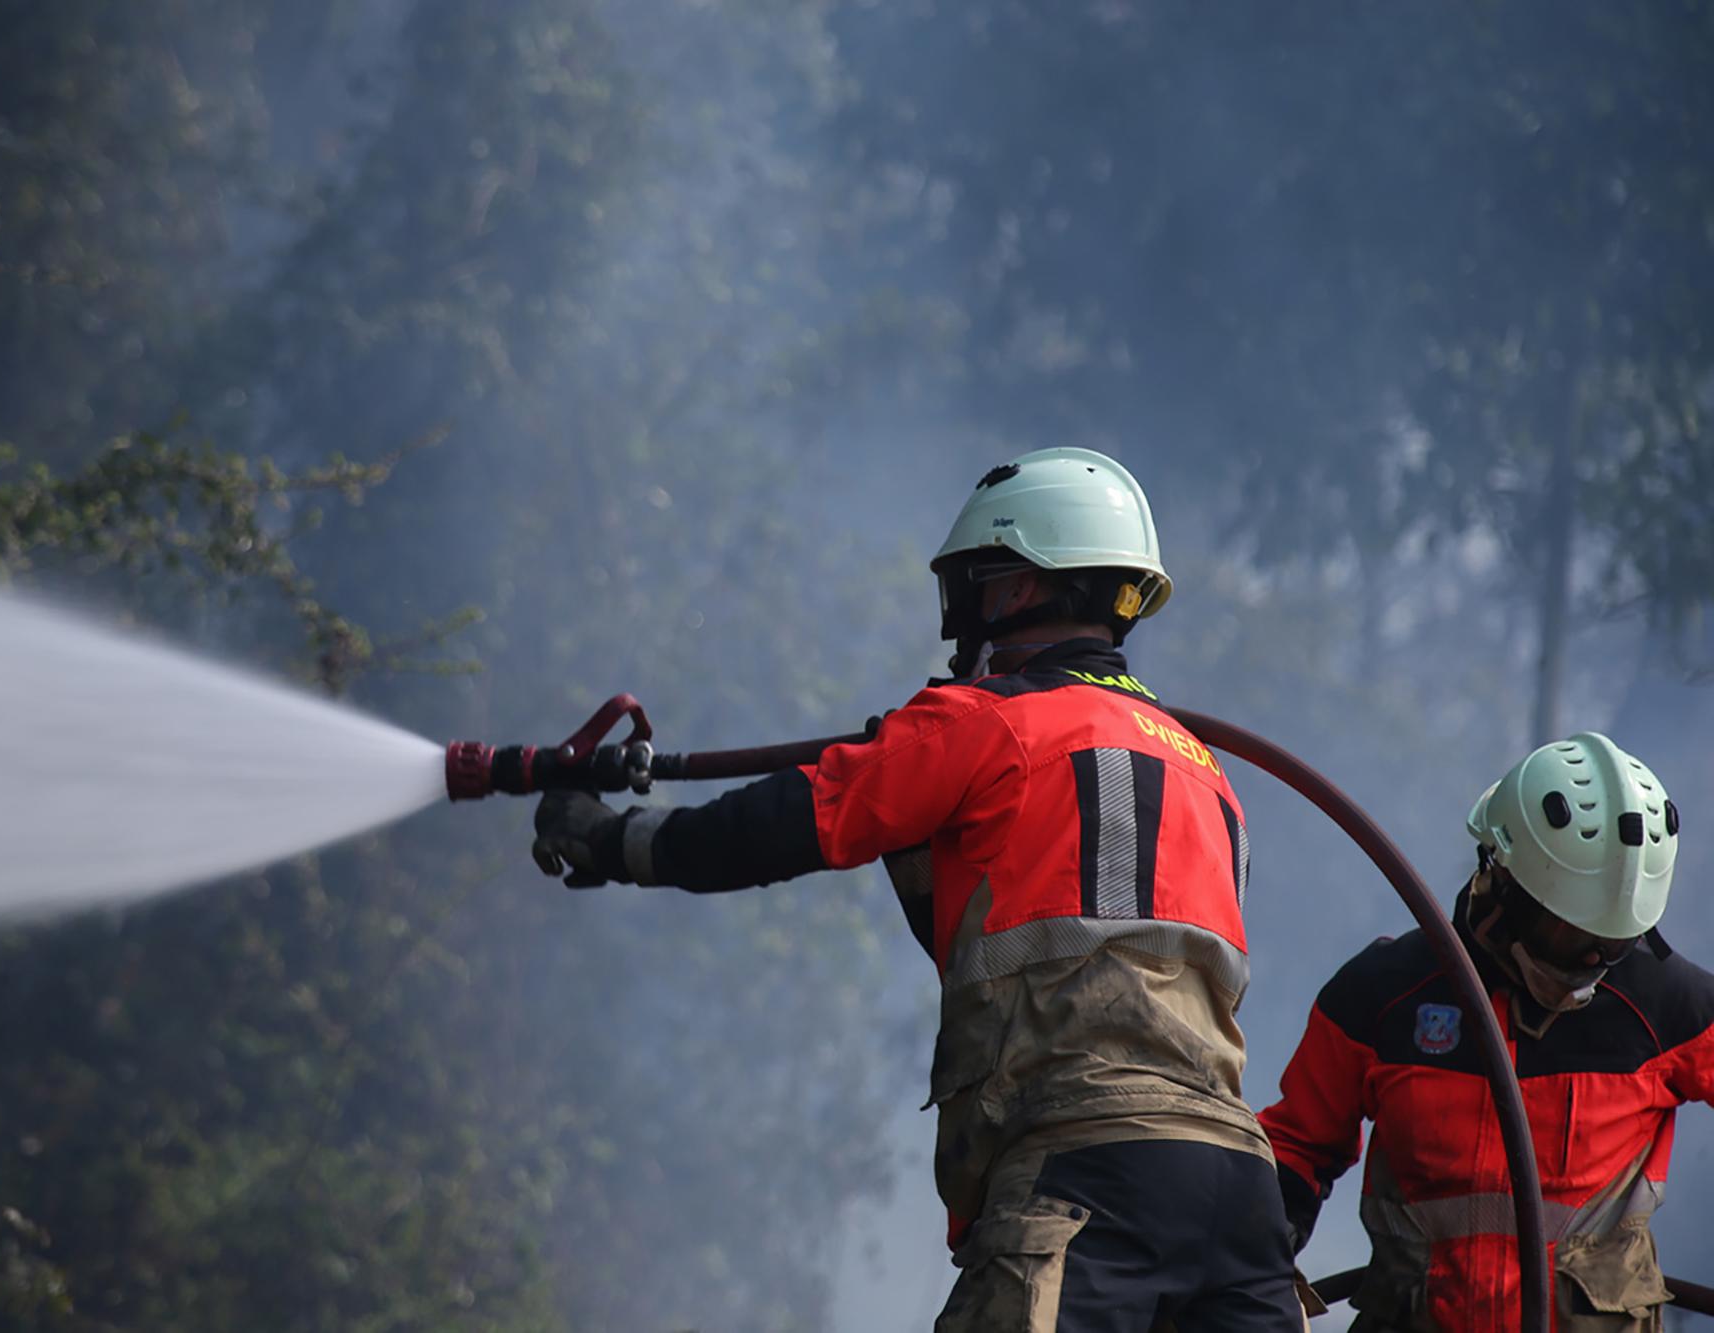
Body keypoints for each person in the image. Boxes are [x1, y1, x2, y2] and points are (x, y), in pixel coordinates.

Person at [533, 447, 1305, 1331]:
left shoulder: (987, 723)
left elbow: (786, 823)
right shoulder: (1207, 775)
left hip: (1089, 1173)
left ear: (1018, 587)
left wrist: (614, 839)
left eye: (975, 586)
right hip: (1241, 1192)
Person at [1260, 732, 1709, 1330]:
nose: (1591, 961)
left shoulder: (1665, 1003)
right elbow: (1296, 1147)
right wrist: (1243, 1277)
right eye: (1572, 934)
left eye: (1615, 942)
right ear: (1504, 881)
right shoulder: (1383, 996)